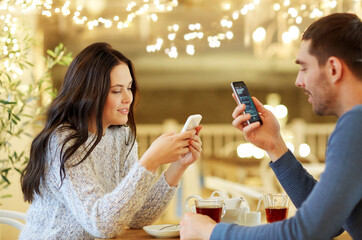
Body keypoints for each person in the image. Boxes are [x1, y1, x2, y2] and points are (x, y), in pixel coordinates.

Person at [180, 12, 362, 240]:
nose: (298, 81)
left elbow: (306, 232)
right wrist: (274, 145)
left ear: (333, 68)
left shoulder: (355, 125)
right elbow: (330, 224)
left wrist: (211, 232)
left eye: (304, 67)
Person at [20, 42, 202, 239]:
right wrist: (150, 160)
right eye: (116, 90)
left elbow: (139, 217)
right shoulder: (63, 142)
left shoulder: (122, 137)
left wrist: (177, 167)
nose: (128, 98)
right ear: (89, 94)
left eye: (129, 88)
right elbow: (101, 224)